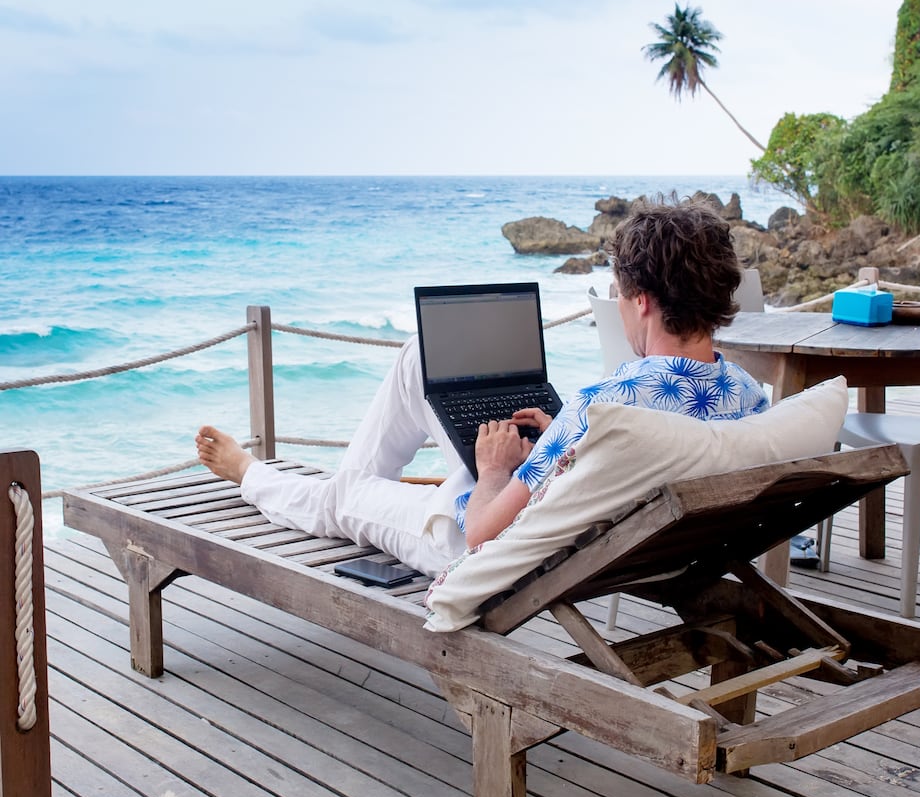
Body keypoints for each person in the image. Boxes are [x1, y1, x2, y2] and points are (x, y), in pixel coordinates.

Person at [196, 195, 768, 577]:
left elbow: (481, 535)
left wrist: (495, 468)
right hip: (614, 528)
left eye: (619, 295)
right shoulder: (746, 396)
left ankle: (253, 475)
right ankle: (353, 480)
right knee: (422, 357)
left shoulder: (609, 403)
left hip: (499, 543)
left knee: (344, 495)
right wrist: (557, 439)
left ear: (640, 300)